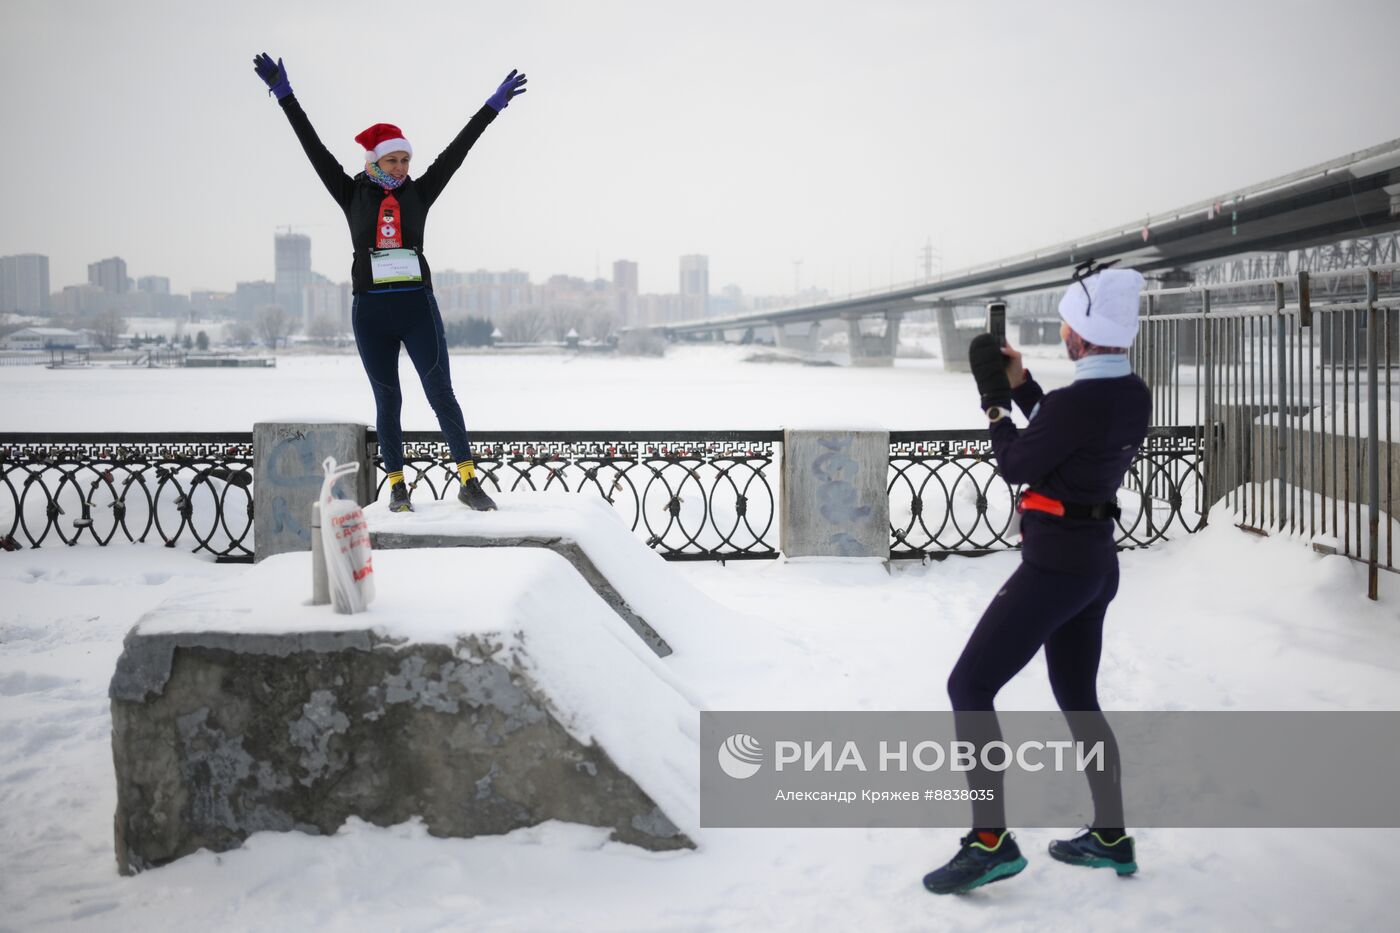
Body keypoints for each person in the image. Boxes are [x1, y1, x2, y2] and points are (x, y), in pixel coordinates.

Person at [922, 262, 1151, 895]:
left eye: (1065, 325)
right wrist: (1024, 387)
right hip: (1095, 563)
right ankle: (1110, 835)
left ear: (1080, 335)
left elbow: (1020, 461)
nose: (1060, 332)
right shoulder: (1132, 392)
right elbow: (1067, 427)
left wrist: (994, 398)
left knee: (968, 684)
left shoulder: (1080, 405)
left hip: (1055, 568)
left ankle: (989, 842)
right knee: (1079, 699)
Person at [252, 52, 528, 513]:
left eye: (406, 160)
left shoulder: (420, 191)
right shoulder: (351, 193)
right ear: (376, 160)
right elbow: (313, 147)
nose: (402, 168)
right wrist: (285, 95)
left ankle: (467, 478)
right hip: (371, 312)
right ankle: (398, 488)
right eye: (394, 160)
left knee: (441, 392)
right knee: (388, 399)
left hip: (417, 307)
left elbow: (458, 151)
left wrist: (491, 108)